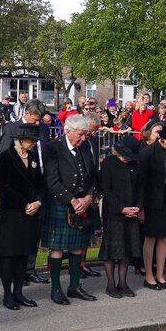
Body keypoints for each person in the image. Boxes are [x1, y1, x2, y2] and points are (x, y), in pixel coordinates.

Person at [41, 114, 99, 304]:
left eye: (85, 134)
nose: (83, 138)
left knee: (77, 247)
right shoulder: (53, 148)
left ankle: (74, 286)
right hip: (60, 204)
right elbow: (52, 181)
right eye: (80, 134)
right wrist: (73, 201)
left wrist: (89, 197)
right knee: (57, 248)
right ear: (68, 130)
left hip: (82, 204)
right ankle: (56, 289)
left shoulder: (85, 147)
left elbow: (92, 175)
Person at [0, 122, 43, 311]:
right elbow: (3, 187)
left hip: (30, 213)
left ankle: (19, 292)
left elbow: (40, 184)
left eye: (35, 140)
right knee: (9, 255)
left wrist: (38, 202)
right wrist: (24, 204)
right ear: (21, 140)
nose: (33, 143)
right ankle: (7, 294)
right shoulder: (5, 158)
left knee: (23, 253)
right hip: (11, 213)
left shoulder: (33, 158)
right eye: (31, 140)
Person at [138, 125, 166, 290]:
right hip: (150, 202)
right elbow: (141, 182)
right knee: (150, 238)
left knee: (164, 238)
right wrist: (140, 207)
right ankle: (149, 276)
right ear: (163, 139)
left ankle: (160, 275)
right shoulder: (147, 153)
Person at [98, 135, 142, 298]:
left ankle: (122, 283)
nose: (126, 158)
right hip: (114, 213)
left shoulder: (135, 165)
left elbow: (140, 188)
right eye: (124, 155)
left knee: (127, 249)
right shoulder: (108, 163)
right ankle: (110, 284)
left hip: (132, 212)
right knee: (111, 250)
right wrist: (121, 208)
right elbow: (105, 190)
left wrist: (138, 207)